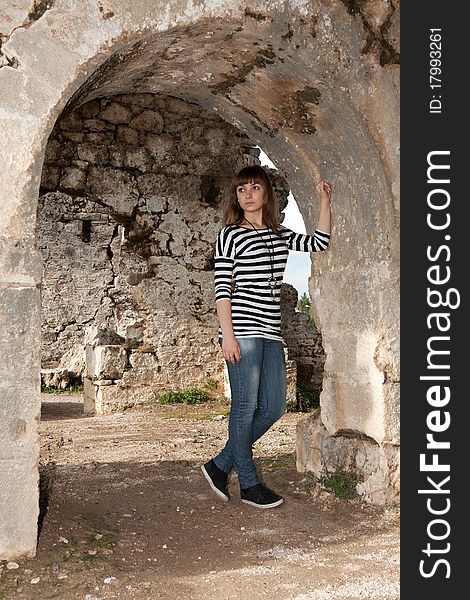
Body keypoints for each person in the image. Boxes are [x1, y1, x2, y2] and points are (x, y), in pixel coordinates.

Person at [201, 164, 332, 509]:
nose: (247, 195)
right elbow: (222, 289)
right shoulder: (230, 234)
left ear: (266, 193)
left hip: (270, 332)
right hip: (240, 331)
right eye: (241, 190)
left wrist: (323, 200)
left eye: (254, 188)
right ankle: (248, 483)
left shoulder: (280, 233)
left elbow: (320, 241)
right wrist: (227, 336)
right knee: (244, 408)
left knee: (273, 406)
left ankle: (219, 465)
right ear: (236, 196)